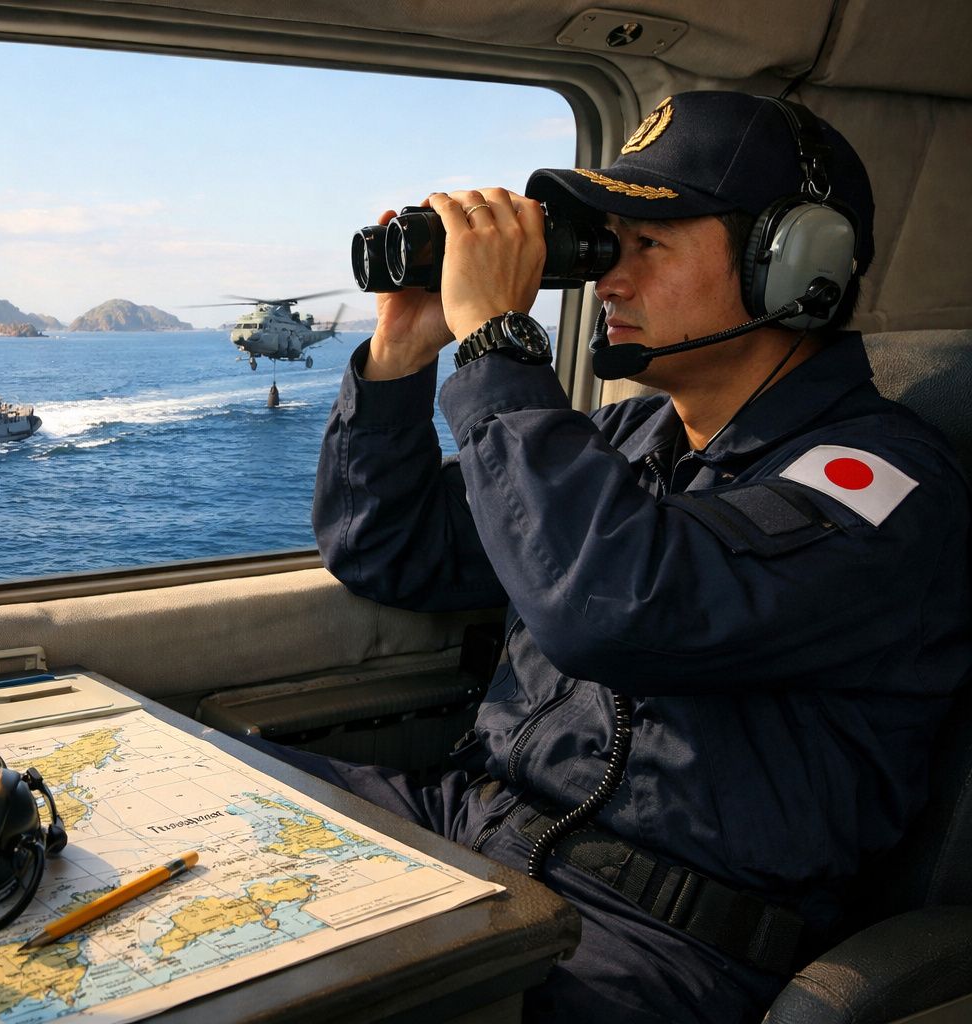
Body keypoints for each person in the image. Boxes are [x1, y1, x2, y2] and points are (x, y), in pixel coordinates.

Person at [297, 91, 972, 1022]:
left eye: (647, 244)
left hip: (650, 939)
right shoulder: (622, 440)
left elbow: (611, 606)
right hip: (467, 828)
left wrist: (496, 343)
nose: (607, 278)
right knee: (188, 808)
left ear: (793, 265)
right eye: (603, 242)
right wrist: (402, 356)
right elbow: (389, 551)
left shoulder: (882, 484)